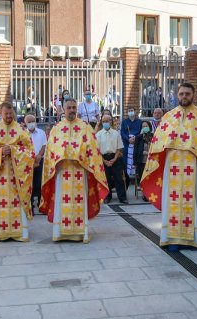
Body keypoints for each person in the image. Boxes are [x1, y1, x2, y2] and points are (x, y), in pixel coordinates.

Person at [140, 82, 197, 249]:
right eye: (181, 94)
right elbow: (158, 142)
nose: (184, 97)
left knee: (196, 199)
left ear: (193, 95)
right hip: (172, 166)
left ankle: (194, 238)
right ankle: (171, 236)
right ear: (177, 95)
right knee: (171, 200)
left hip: (195, 167)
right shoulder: (169, 117)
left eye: (187, 94)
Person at [40, 98, 109, 243]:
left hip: (80, 170)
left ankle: (80, 233)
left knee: (80, 200)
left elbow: (93, 148)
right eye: (69, 108)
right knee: (61, 200)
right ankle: (60, 232)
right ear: (63, 110)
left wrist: (77, 152)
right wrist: (64, 151)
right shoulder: (56, 128)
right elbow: (51, 150)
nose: (71, 110)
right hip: (62, 171)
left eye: (73, 107)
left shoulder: (85, 127)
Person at [0, 101, 36, 242]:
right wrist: (0, 152)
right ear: (0, 113)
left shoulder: (21, 130)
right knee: (1, 203)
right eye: (6, 114)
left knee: (17, 202)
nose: (8, 116)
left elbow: (30, 152)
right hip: (0, 176)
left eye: (10, 114)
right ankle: (0, 233)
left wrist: (12, 150)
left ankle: (20, 232)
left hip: (17, 176)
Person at [96, 114, 127, 204]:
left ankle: (122, 197)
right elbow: (97, 150)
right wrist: (104, 161)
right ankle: (107, 197)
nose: (106, 123)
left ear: (111, 122)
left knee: (118, 178)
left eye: (107, 121)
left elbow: (119, 148)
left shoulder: (116, 133)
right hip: (103, 158)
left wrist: (114, 158)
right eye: (104, 121)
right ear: (102, 123)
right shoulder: (98, 135)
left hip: (115, 157)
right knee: (106, 179)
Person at [25, 114, 47, 212]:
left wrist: (39, 156)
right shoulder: (23, 134)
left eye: (32, 121)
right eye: (29, 122)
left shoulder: (41, 133)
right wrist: (31, 158)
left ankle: (40, 204)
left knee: (39, 183)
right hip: (28, 162)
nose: (31, 123)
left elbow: (44, 145)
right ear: (25, 123)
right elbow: (22, 148)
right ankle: (30, 207)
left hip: (40, 160)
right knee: (30, 184)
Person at [132, 119, 153, 201]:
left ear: (149, 127)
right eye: (143, 126)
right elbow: (135, 150)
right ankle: (145, 194)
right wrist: (134, 162)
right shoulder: (138, 137)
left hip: (151, 162)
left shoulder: (153, 136)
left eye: (146, 126)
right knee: (142, 178)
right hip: (141, 161)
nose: (145, 128)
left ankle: (151, 193)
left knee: (150, 178)